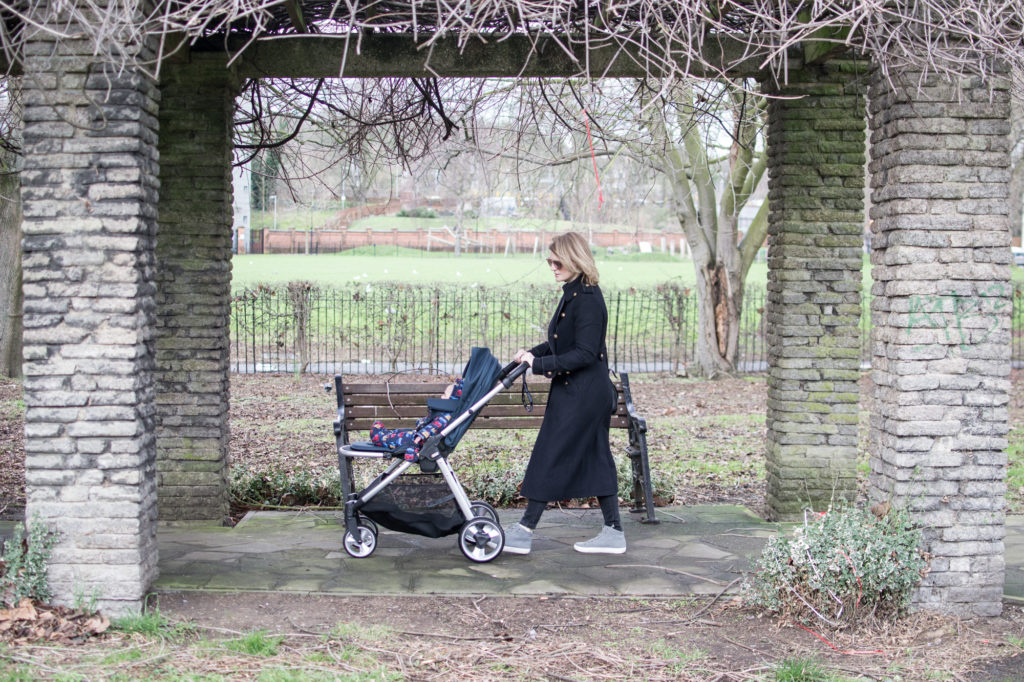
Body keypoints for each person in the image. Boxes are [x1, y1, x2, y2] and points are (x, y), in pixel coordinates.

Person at [503, 232, 624, 555]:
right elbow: (562, 343)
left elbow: (585, 353)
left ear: (574, 260)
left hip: (584, 395)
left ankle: (525, 530)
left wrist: (539, 364)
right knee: (596, 457)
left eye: (557, 261)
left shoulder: (587, 300)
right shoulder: (574, 294)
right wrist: (529, 354)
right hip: (579, 392)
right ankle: (613, 532)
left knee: (550, 454)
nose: (552, 267)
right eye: (550, 261)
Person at [369, 378, 463, 461]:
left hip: (418, 442)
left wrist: (418, 439)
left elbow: (432, 427)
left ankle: (379, 437)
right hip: (422, 440)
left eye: (444, 395)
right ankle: (385, 434)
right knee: (403, 432)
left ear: (451, 400)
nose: (441, 397)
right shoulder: (448, 414)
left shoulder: (445, 417)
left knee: (399, 438)